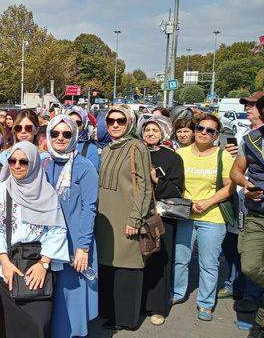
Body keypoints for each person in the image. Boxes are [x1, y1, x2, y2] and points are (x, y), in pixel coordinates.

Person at [0, 140, 69, 337]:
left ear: (33, 163)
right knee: (11, 325)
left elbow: (57, 230)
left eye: (23, 162)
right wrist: (5, 263)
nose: (16, 165)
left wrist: (44, 264)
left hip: (38, 266)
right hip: (8, 266)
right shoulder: (1, 190)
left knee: (38, 323)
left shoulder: (46, 192)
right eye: (12, 160)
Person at [95, 104, 152, 331]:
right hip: (105, 219)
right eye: (111, 121)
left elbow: (145, 187)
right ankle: (110, 313)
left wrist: (135, 219)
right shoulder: (107, 149)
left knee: (127, 268)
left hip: (127, 218)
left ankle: (126, 319)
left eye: (120, 120)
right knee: (108, 267)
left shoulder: (137, 147)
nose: (115, 125)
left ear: (129, 122)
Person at [173, 114, 234, 321]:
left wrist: (207, 202)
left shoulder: (223, 156)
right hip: (185, 213)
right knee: (180, 258)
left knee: (209, 262)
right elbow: (174, 183)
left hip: (213, 216)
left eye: (210, 130)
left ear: (217, 135)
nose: (204, 133)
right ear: (195, 129)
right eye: (200, 128)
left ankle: (205, 303)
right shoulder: (180, 153)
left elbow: (230, 187)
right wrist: (187, 202)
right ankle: (177, 293)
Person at [45, 116, 99, 337]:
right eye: (55, 133)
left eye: (66, 134)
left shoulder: (83, 166)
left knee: (72, 297)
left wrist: (83, 247)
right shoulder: (44, 162)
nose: (60, 138)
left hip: (76, 241)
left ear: (74, 136)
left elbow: (90, 208)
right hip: (49, 242)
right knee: (54, 296)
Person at [139, 115, 184, 326]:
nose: (150, 134)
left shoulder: (172, 157)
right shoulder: (136, 151)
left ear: (163, 133)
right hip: (137, 214)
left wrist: (157, 179)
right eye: (147, 130)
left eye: (155, 131)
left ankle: (157, 307)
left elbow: (177, 189)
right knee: (139, 258)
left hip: (162, 215)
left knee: (160, 258)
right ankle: (138, 303)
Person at [230, 93, 264, 336]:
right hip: (257, 215)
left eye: (254, 105)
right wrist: (246, 183)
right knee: (250, 266)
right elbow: (235, 171)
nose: (251, 109)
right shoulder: (250, 139)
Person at [65, 106, 99, 170]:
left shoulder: (90, 148)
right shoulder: (58, 142)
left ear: (83, 124)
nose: (73, 125)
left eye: (77, 123)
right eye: (70, 121)